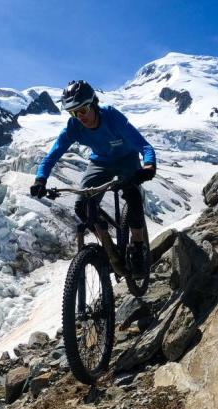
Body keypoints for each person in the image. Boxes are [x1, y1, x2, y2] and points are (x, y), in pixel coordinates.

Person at [29, 80, 156, 277]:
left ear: (94, 103)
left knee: (132, 194)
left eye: (83, 109)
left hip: (127, 158)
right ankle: (109, 249)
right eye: (73, 112)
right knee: (82, 207)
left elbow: (145, 146)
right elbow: (51, 156)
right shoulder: (74, 127)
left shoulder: (112, 116)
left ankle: (138, 247)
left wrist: (149, 166)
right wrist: (40, 179)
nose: (80, 117)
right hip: (100, 162)